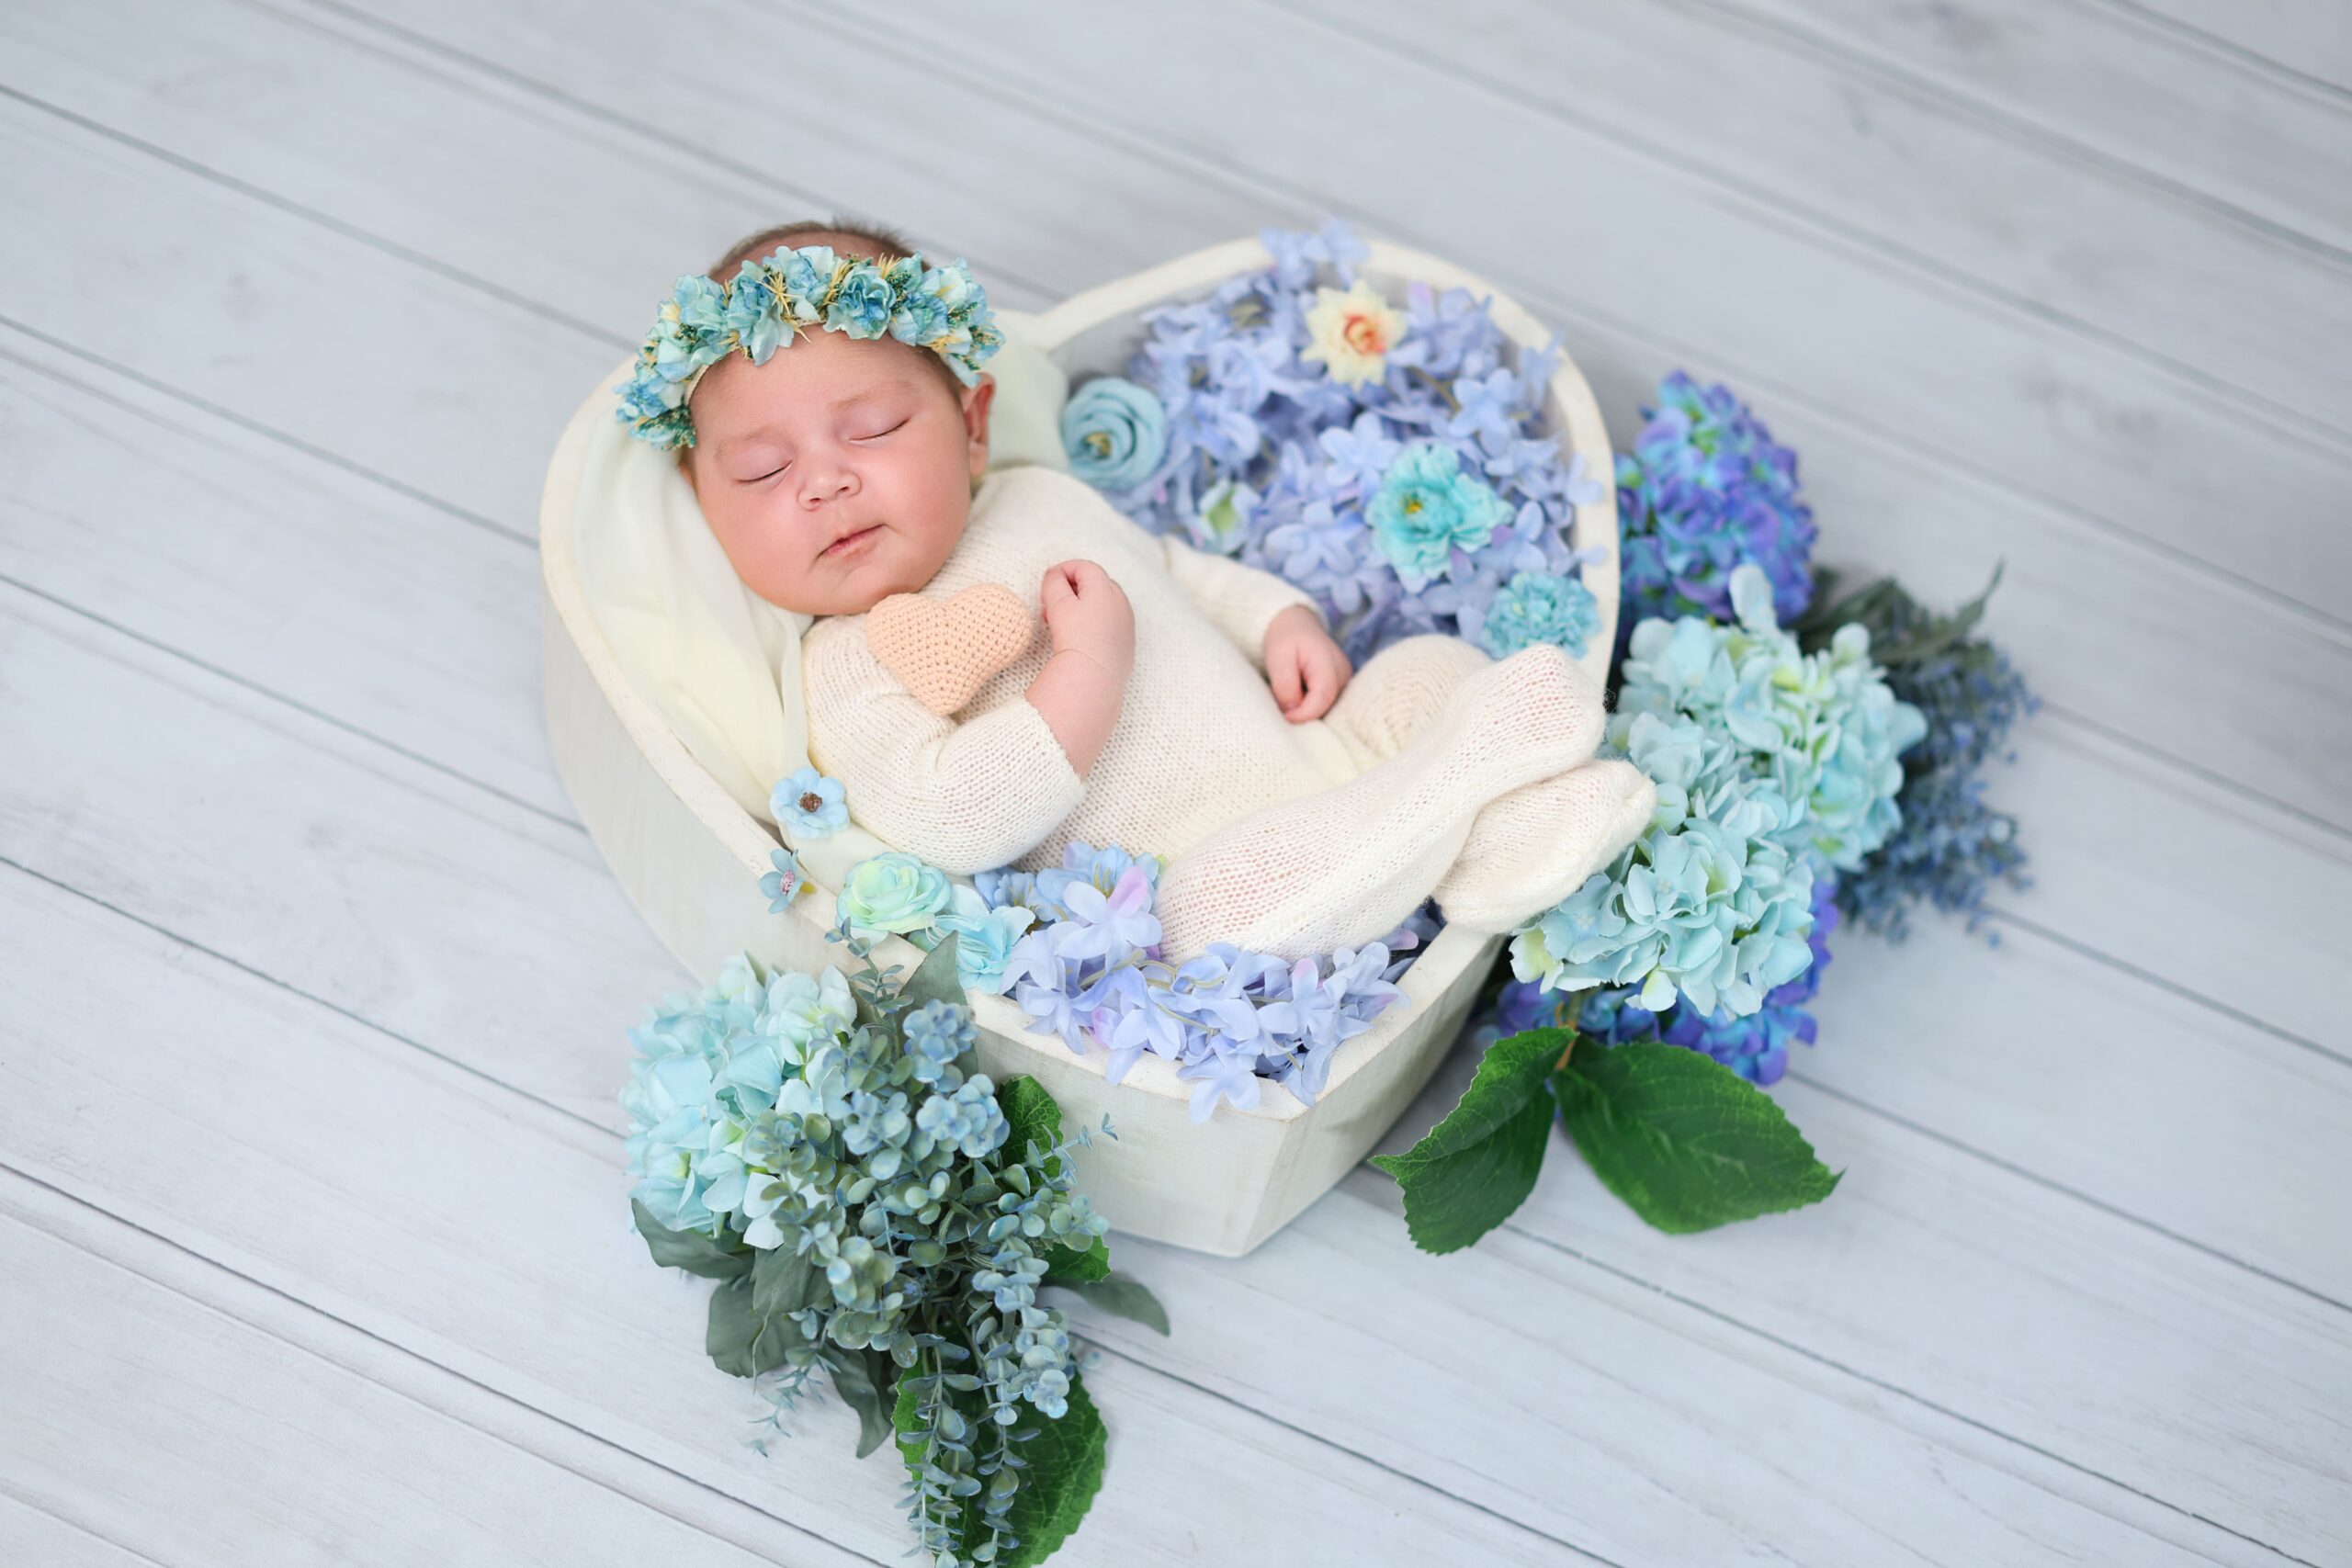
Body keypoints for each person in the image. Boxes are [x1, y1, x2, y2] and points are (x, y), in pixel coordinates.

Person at [617, 220, 1653, 964]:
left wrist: (1276, 618)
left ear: (971, 426)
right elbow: (952, 814)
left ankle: (1484, 846)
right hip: (1194, 876)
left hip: (1316, 754)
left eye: (874, 429)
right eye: (761, 471)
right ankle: (1468, 778)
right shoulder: (841, 667)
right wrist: (1086, 669)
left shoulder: (1035, 495)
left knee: (1423, 669)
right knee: (1230, 913)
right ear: (705, 504)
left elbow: (1170, 567)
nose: (823, 482)